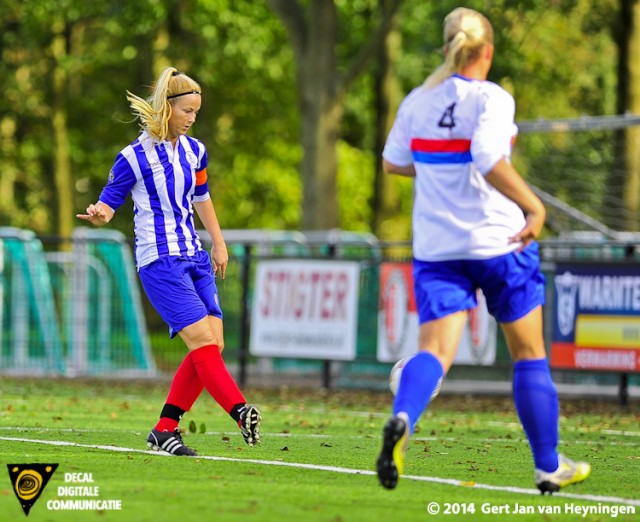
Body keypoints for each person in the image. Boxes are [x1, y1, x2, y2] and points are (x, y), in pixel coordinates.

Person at [376, 7, 590, 493]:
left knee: (434, 351)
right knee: (529, 354)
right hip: (500, 243)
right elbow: (489, 158)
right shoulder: (493, 98)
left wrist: (437, 170)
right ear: (487, 51)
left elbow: (393, 163)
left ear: (446, 49)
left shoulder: (417, 100)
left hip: (438, 247)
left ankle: (403, 420)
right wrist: (534, 207)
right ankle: (547, 464)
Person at [77, 67, 261, 456]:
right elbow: (110, 204)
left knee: (214, 343)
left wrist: (219, 244)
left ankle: (164, 429)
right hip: (159, 262)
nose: (193, 118)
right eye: (187, 111)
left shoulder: (196, 151)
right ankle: (239, 410)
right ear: (167, 109)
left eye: (197, 111)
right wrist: (99, 213)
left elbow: (202, 198)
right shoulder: (132, 157)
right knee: (203, 343)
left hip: (194, 254)